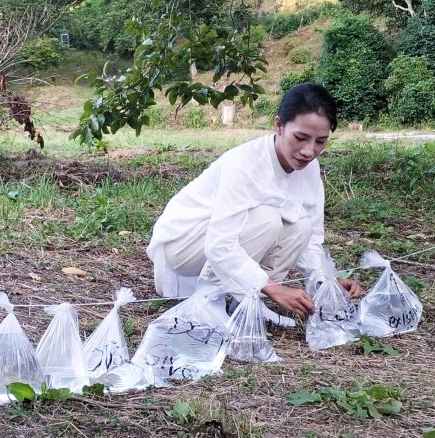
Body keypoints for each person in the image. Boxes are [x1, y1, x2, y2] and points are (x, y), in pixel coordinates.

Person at [146, 83, 363, 324]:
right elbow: (219, 245)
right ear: (278, 126)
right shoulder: (244, 164)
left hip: (222, 241)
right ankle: (208, 302)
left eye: (320, 141)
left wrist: (325, 283)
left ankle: (247, 302)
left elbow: (311, 239)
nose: (308, 151)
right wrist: (272, 288)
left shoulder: (309, 169)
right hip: (182, 246)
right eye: (300, 138)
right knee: (268, 219)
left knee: (302, 226)